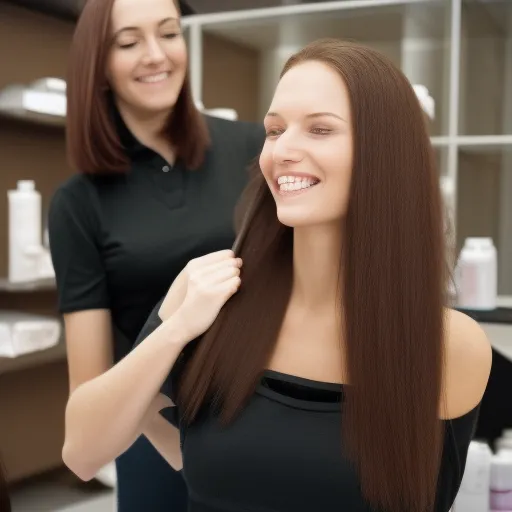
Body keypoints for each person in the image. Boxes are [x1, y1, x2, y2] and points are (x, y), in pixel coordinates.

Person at [59, 38, 492, 512]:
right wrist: (175, 332)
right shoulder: (209, 298)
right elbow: (83, 453)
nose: (282, 150)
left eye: (320, 130)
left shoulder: (451, 346)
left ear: (385, 152)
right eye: (274, 130)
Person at [47, 0, 264, 510]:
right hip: (160, 437)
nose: (155, 55)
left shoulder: (252, 148)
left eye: (168, 33)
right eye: (128, 42)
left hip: (265, 419)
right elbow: (94, 384)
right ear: (97, 66)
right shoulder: (79, 204)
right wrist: (186, 455)